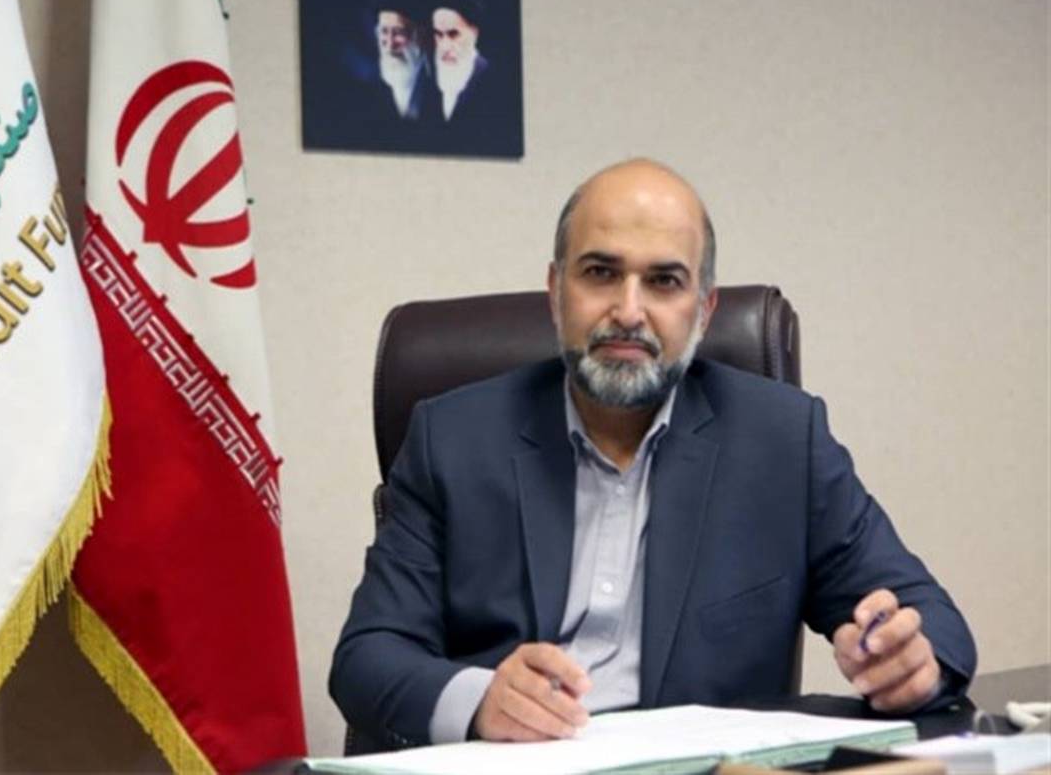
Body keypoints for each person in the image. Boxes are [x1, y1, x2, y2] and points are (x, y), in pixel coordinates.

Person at [330, 159, 976, 751]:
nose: (628, 311)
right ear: (555, 291)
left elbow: (935, 623)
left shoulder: (783, 442)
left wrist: (910, 663)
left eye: (664, 281)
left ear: (704, 309)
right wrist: (481, 702)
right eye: (600, 273)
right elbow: (367, 656)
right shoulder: (453, 438)